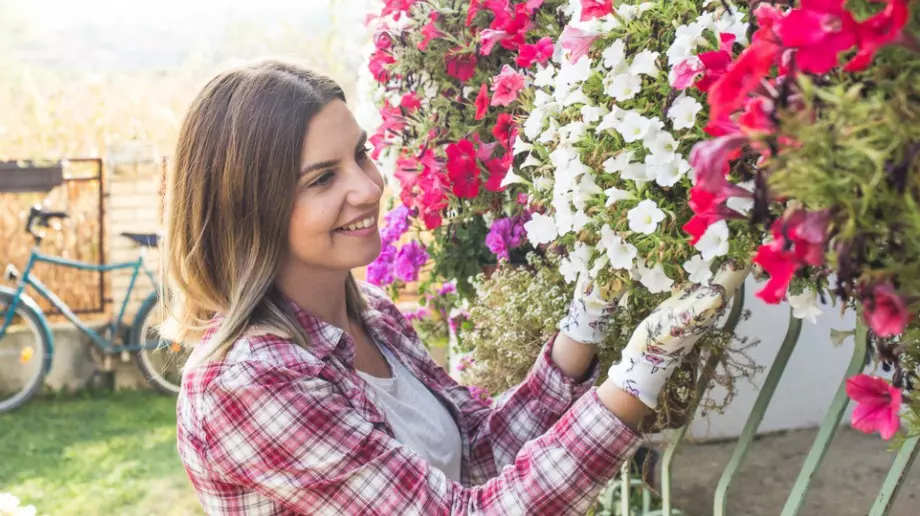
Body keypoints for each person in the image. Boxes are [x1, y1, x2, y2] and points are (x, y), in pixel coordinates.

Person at [162, 59, 746, 515]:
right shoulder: (246, 382)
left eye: (360, 154)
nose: (367, 187)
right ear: (248, 210)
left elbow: (477, 451)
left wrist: (585, 319)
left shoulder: (376, 320)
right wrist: (639, 373)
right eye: (322, 178)